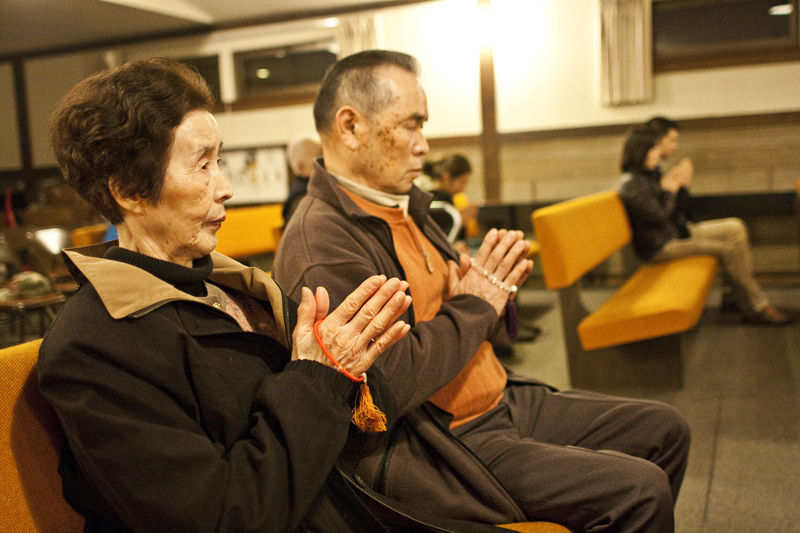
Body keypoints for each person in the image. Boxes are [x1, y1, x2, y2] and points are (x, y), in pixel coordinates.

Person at [39, 57, 525, 533]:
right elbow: (226, 516)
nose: (226, 187)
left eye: (220, 159)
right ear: (129, 191)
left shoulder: (235, 284)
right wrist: (317, 377)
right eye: (202, 165)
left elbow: (376, 400)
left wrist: (342, 369)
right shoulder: (96, 344)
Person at [273, 49, 691, 533]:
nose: (423, 145)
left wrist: (498, 291)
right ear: (350, 127)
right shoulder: (322, 242)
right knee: (641, 491)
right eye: (410, 125)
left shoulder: (404, 204)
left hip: (499, 394)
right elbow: (383, 391)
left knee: (666, 430)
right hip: (445, 438)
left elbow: (472, 308)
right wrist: (476, 303)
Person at [618, 120, 789, 325]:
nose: (657, 154)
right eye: (653, 150)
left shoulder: (646, 177)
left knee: (734, 229)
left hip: (670, 235)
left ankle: (736, 297)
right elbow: (661, 216)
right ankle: (756, 307)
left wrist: (680, 188)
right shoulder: (633, 184)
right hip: (660, 247)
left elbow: (673, 213)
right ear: (640, 152)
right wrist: (671, 191)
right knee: (727, 250)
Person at [423, 154, 479, 253]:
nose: (464, 188)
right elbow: (438, 241)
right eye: (462, 182)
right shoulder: (438, 205)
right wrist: (459, 220)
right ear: (446, 177)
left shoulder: (447, 202)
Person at [282, 133, 323, 223]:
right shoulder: (301, 200)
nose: (326, 161)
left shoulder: (316, 191)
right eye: (319, 155)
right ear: (302, 168)